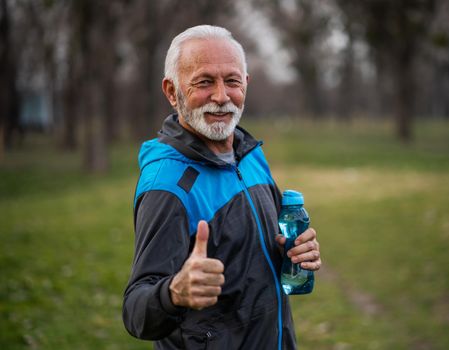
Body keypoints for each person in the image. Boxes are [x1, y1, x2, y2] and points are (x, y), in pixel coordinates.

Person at [122, 25, 322, 350]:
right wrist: (174, 293)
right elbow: (135, 312)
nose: (221, 96)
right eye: (204, 82)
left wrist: (293, 252)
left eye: (231, 80)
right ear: (172, 92)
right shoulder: (168, 186)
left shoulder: (249, 153)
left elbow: (252, 250)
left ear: (246, 83)